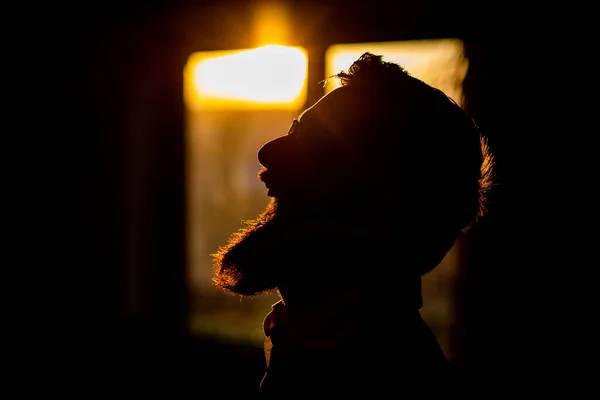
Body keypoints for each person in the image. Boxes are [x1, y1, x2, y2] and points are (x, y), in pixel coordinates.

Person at [211, 52, 494, 396]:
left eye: (314, 143)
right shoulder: (316, 345)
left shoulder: (380, 374)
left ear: (377, 200)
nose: (268, 152)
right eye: (293, 130)